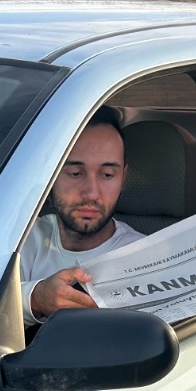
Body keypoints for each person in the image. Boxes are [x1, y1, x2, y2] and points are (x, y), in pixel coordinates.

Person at [20, 106, 146, 325]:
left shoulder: (145, 256)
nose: (92, 193)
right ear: (51, 174)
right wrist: (36, 299)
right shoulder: (22, 240)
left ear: (123, 178)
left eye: (107, 175)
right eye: (76, 173)